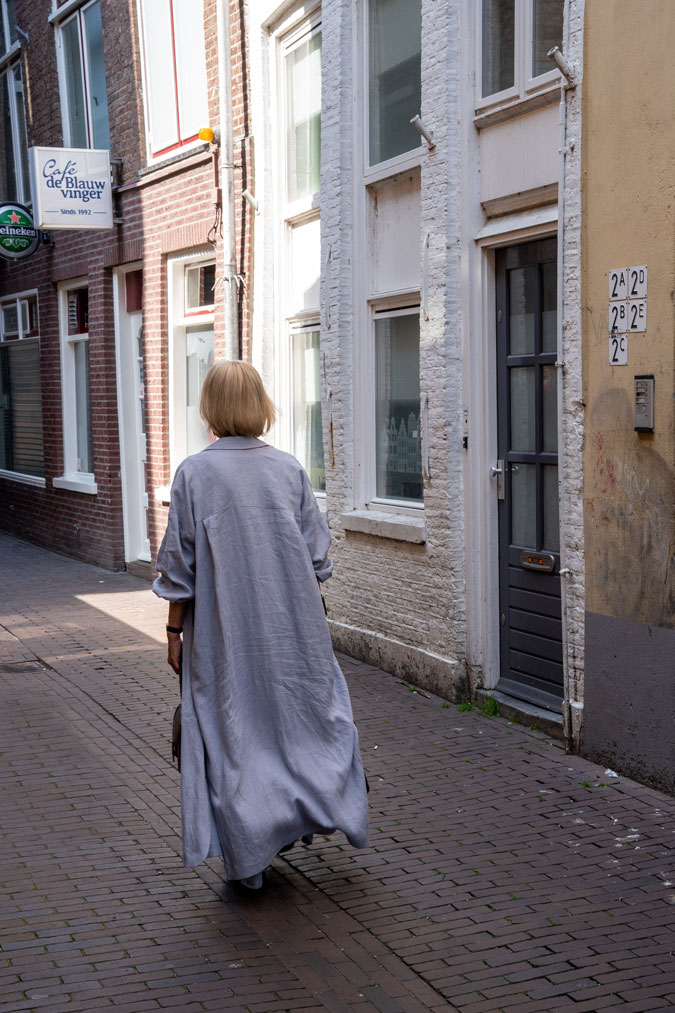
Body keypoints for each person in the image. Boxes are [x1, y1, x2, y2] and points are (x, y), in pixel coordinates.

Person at [153, 359, 369, 889]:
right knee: (304, 721)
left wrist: (174, 632)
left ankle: (251, 851)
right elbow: (318, 560)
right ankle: (312, 808)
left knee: (234, 731)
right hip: (292, 626)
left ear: (210, 406)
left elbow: (179, 570)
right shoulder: (288, 470)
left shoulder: (194, 475)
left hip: (224, 633)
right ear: (259, 404)